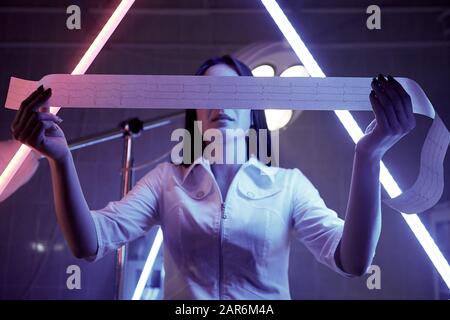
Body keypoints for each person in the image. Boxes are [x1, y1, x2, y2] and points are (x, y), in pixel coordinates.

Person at [10, 55, 416, 299]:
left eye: (235, 93)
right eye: (207, 95)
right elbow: (89, 242)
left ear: (252, 108)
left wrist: (368, 155)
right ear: (196, 116)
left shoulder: (288, 185)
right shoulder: (166, 180)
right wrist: (60, 160)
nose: (220, 103)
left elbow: (353, 259)